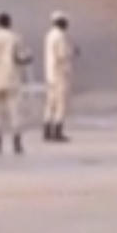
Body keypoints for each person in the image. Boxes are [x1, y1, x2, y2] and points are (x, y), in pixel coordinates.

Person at [0, 13, 32, 155]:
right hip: (12, 78)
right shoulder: (16, 37)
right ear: (9, 23)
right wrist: (28, 58)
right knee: (15, 111)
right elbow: (19, 57)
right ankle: (17, 143)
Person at [43, 11, 75, 142]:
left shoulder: (49, 35)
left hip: (50, 74)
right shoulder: (60, 36)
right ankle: (58, 131)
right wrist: (72, 52)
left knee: (50, 103)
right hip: (60, 73)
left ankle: (47, 130)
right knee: (61, 103)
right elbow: (62, 55)